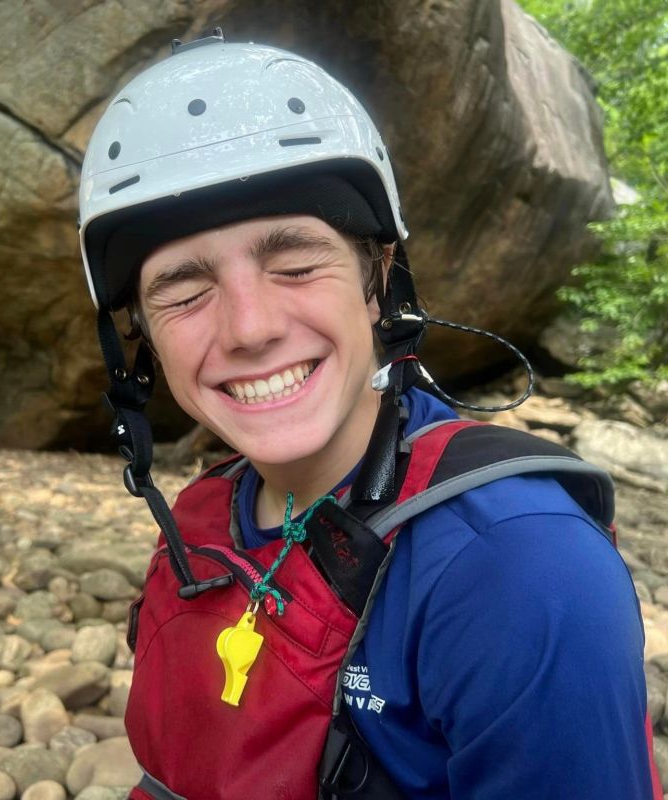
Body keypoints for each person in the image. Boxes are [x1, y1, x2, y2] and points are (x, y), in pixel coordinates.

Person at [78, 30, 659, 800]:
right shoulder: (208, 515)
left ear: (378, 279)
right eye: (183, 292)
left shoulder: (522, 567)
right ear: (143, 341)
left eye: (295, 264)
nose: (250, 328)